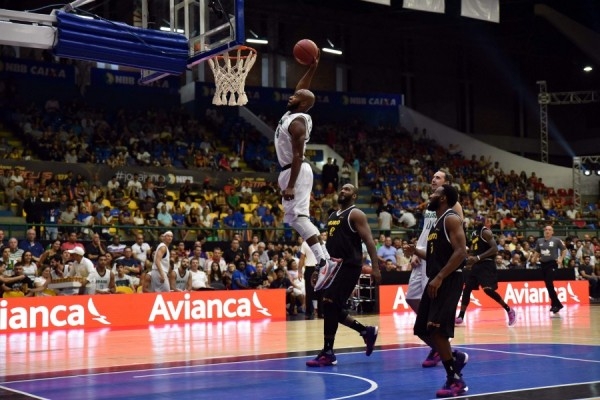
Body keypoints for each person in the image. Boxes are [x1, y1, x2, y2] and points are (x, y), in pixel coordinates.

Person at [273, 50, 341, 288]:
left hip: (296, 170)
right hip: (293, 170)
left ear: (302, 102)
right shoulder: (295, 111)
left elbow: (299, 155)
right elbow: (303, 89)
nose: (292, 95)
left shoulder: (298, 123)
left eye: (296, 96)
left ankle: (323, 261)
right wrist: (312, 67)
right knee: (297, 216)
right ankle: (325, 258)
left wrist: (290, 185)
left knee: (296, 216)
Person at [403, 184, 469, 398]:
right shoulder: (436, 225)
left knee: (437, 329)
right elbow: (434, 257)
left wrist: (440, 277)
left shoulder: (451, 218)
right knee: (422, 328)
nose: (430, 196)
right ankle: (454, 357)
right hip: (435, 279)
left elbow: (461, 252)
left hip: (448, 280)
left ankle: (455, 380)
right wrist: (416, 251)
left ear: (442, 198)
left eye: (434, 193)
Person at [305, 184, 381, 367]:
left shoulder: (356, 214)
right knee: (330, 306)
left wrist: (376, 267)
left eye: (347, 189)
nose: (342, 191)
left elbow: (369, 241)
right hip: (333, 266)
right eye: (342, 189)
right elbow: (328, 248)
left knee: (330, 303)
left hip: (349, 266)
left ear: (354, 195)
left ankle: (328, 352)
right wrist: (319, 267)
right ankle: (365, 331)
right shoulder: (332, 215)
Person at [455, 216, 517, 326]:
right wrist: (471, 260)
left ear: (483, 222)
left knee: (488, 290)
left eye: (479, 220)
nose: (477, 221)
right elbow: (475, 251)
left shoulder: (486, 232)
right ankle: (461, 316)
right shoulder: (474, 233)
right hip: (476, 265)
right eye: (476, 219)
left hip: (487, 264)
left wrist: (478, 257)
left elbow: (494, 249)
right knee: (467, 289)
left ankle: (509, 310)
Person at [532, 225, 567, 316]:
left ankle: (556, 304)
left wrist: (560, 258)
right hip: (543, 264)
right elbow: (537, 251)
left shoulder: (556, 240)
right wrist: (534, 258)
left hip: (552, 264)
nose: (547, 231)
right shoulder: (539, 241)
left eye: (549, 230)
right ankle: (556, 304)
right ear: (544, 231)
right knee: (548, 285)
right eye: (546, 229)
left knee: (549, 282)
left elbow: (564, 250)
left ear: (552, 232)